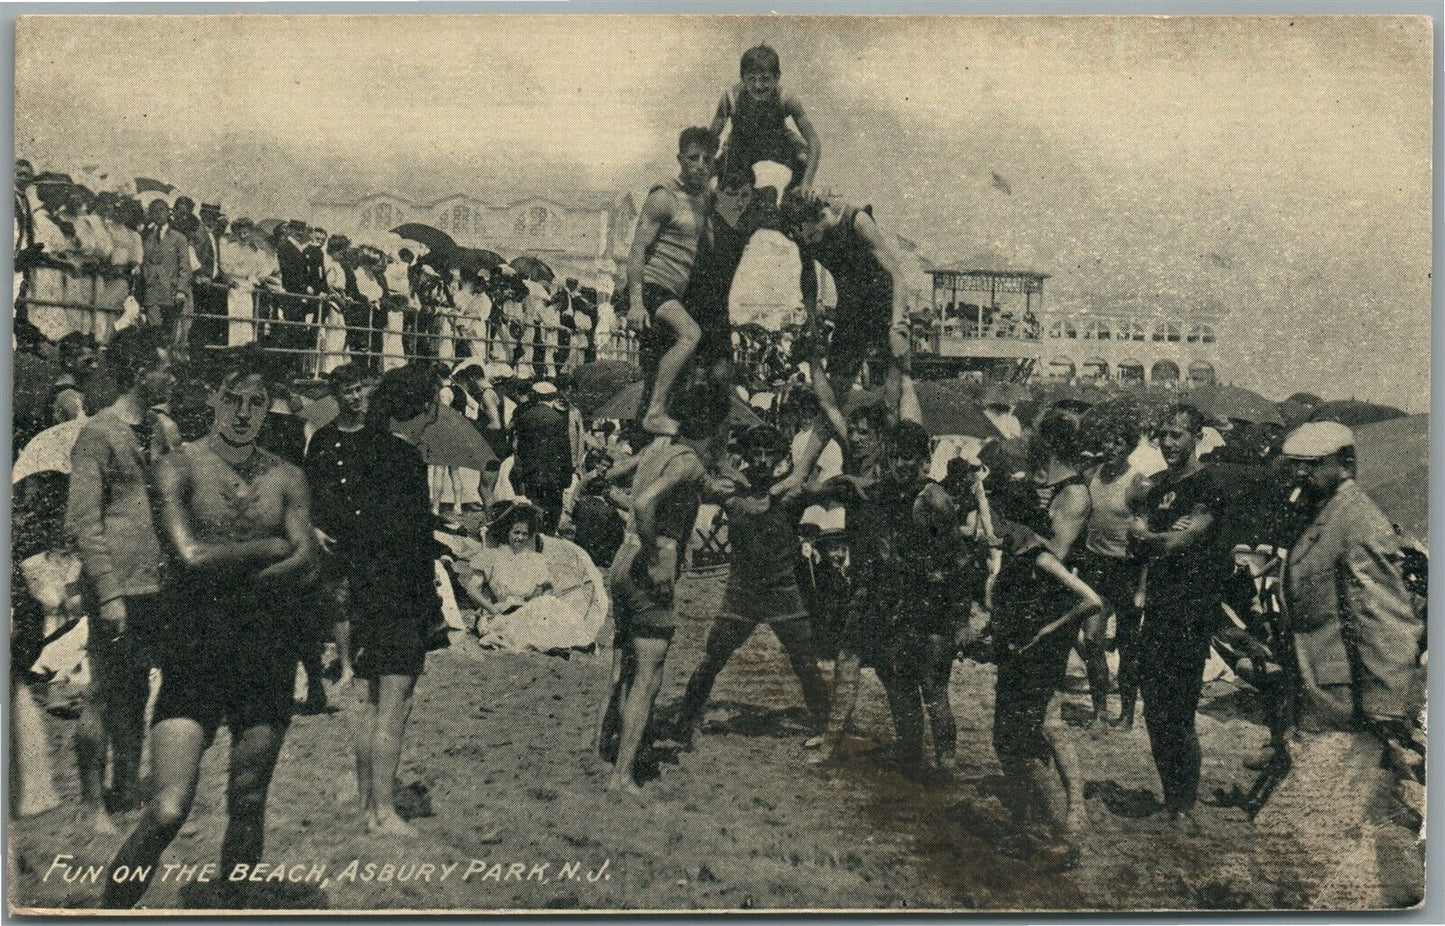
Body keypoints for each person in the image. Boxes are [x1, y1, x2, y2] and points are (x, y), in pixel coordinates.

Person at [101, 348, 318, 909]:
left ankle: (230, 911)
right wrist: (273, 546)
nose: (244, 413)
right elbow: (190, 554)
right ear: (211, 401)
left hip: (266, 649)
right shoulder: (179, 466)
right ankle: (107, 913)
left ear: (269, 407)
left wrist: (275, 555)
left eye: (256, 402)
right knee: (168, 808)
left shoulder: (288, 476)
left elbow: (309, 561)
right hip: (196, 649)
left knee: (248, 801)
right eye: (232, 400)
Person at [1252, 421, 1425, 907]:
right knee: (1326, 831)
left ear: (1345, 465)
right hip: (1318, 693)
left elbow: (1386, 620)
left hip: (1349, 704)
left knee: (1320, 829)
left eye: (1311, 468)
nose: (1299, 477)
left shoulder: (1358, 521)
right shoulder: (1322, 513)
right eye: (1296, 468)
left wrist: (1387, 709)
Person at [64, 326, 178, 835]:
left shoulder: (164, 431)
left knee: (138, 690)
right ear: (140, 373)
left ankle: (128, 789)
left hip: (157, 581)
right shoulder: (97, 434)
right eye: (164, 368)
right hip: (116, 583)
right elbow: (83, 523)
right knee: (104, 691)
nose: (171, 376)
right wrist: (107, 592)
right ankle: (92, 803)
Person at [597, 385, 727, 796]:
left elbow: (614, 479)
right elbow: (645, 502)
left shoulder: (659, 448)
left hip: (622, 559)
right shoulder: (686, 463)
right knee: (649, 676)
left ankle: (605, 744)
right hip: (648, 564)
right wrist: (656, 555)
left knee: (627, 665)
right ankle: (622, 774)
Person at [826, 420, 971, 780]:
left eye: (911, 457)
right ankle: (911, 757)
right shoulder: (879, 495)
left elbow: (960, 562)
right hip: (894, 605)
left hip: (933, 605)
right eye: (896, 457)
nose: (903, 465)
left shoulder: (934, 499)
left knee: (935, 690)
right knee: (900, 687)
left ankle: (947, 763)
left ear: (924, 459)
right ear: (886, 458)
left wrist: (962, 619)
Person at [674, 425, 831, 745]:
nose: (760, 461)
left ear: (779, 458)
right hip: (741, 591)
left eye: (767, 455)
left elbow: (834, 483)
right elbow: (695, 468)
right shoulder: (729, 493)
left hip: (783, 590)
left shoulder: (791, 493)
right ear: (745, 456)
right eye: (754, 454)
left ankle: (825, 725)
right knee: (713, 657)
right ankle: (686, 719)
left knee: (804, 661)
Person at [348, 363, 448, 835]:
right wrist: (429, 604)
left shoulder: (368, 447)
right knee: (395, 706)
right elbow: (411, 543)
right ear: (423, 406)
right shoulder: (407, 460)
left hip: (369, 590)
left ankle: (370, 805)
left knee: (373, 705)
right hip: (400, 595)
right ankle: (384, 811)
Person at [1129, 404, 1231, 826]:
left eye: (1177, 435)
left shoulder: (1208, 486)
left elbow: (1178, 542)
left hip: (1191, 611)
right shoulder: (1156, 489)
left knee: (1180, 710)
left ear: (1197, 437)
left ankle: (1184, 804)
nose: (1168, 444)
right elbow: (1141, 543)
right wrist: (1151, 536)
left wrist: (1148, 535)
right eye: (1163, 435)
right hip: (1157, 607)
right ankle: (1170, 797)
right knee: (1153, 707)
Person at [778, 189, 921, 490]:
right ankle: (801, 471)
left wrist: (898, 324)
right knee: (836, 390)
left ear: (816, 216)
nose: (805, 242)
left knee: (901, 384)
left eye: (806, 234)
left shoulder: (856, 220)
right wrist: (812, 316)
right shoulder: (803, 231)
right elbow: (808, 274)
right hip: (852, 307)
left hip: (884, 301)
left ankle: (914, 462)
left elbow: (897, 274)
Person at [625, 126, 716, 438]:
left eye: (707, 158)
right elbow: (637, 251)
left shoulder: (705, 198)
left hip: (674, 291)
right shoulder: (664, 197)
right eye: (693, 158)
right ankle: (654, 412)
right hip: (651, 286)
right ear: (680, 159)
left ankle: (658, 418)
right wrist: (636, 302)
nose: (700, 164)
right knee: (690, 334)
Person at [301, 363, 376, 696]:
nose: (357, 396)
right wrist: (314, 527)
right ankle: (345, 666)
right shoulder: (323, 439)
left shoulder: (378, 435)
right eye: (348, 390)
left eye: (360, 388)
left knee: (372, 595)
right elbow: (309, 488)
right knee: (338, 600)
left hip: (371, 531)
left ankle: (368, 658)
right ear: (336, 396)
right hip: (335, 533)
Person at [1079, 414, 1149, 728]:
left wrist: (1142, 588)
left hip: (1127, 568)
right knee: (1092, 639)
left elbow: (1146, 542)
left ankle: (1127, 714)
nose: (1112, 447)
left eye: (1120, 442)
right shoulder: (1091, 475)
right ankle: (1098, 712)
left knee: (1128, 645)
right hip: (1095, 566)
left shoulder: (1139, 482)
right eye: (1108, 440)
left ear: (1130, 446)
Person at [710, 43, 822, 191]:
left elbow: (813, 141)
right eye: (751, 79)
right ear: (742, 78)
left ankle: (795, 195)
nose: (758, 85)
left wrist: (807, 183)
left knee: (804, 158)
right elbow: (709, 140)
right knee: (726, 175)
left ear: (777, 78)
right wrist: (709, 172)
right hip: (742, 143)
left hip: (776, 142)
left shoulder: (786, 98)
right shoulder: (731, 98)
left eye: (765, 79)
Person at [510, 380, 573, 534]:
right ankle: (549, 536)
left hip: (532, 472)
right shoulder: (558, 419)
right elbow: (564, 449)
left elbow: (520, 448)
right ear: (552, 398)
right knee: (553, 508)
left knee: (535, 505)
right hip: (554, 473)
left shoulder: (525, 417)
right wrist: (567, 474)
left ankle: (536, 536)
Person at [140, 199, 192, 343]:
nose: (158, 214)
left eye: (161, 210)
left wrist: (181, 290)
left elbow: (185, 266)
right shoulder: (148, 238)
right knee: (153, 331)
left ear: (168, 212)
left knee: (169, 333)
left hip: (170, 292)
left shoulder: (179, 238)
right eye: (154, 211)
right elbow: (145, 263)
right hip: (152, 292)